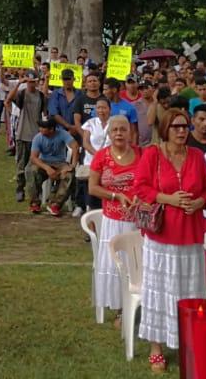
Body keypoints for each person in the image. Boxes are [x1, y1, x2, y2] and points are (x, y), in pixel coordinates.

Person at [134, 108, 206, 374]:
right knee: (159, 291)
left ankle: (191, 342)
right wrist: (169, 199)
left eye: (185, 126)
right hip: (161, 236)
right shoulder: (152, 154)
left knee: (191, 290)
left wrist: (200, 202)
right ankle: (156, 347)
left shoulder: (197, 156)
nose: (181, 131)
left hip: (191, 235)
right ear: (165, 129)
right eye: (176, 126)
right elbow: (140, 187)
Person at [86, 114, 139, 320]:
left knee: (135, 264)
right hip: (112, 222)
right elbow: (93, 188)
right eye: (115, 130)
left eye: (123, 129)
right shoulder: (101, 156)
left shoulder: (141, 154)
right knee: (115, 264)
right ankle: (119, 309)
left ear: (130, 133)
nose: (119, 133)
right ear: (108, 133)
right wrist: (116, 196)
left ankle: (136, 306)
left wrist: (140, 197)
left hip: (136, 222)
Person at [26, 114, 78, 217]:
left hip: (60, 163)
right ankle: (34, 203)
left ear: (51, 129)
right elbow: (33, 157)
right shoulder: (38, 138)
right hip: (44, 163)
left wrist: (72, 165)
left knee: (69, 175)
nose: (41, 129)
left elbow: (75, 147)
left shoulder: (62, 134)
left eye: (43, 127)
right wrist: (47, 168)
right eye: (40, 127)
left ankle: (55, 204)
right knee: (31, 170)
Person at [8, 71, 46, 203]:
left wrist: (46, 81)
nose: (31, 84)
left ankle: (37, 190)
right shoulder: (22, 94)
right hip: (22, 134)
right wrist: (18, 83)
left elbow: (45, 109)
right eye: (29, 82)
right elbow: (8, 100)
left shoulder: (40, 95)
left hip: (36, 136)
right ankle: (20, 188)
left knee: (37, 166)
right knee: (21, 165)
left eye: (33, 82)